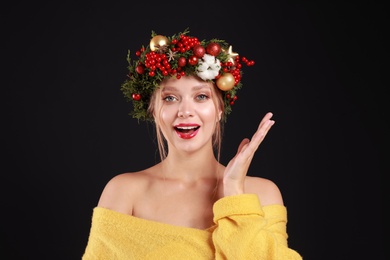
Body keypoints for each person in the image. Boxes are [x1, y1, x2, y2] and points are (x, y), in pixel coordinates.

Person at [82, 28, 303, 259]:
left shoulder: (263, 194)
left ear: (219, 109)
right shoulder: (124, 192)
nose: (185, 111)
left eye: (201, 97)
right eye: (170, 98)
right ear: (154, 112)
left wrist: (235, 192)